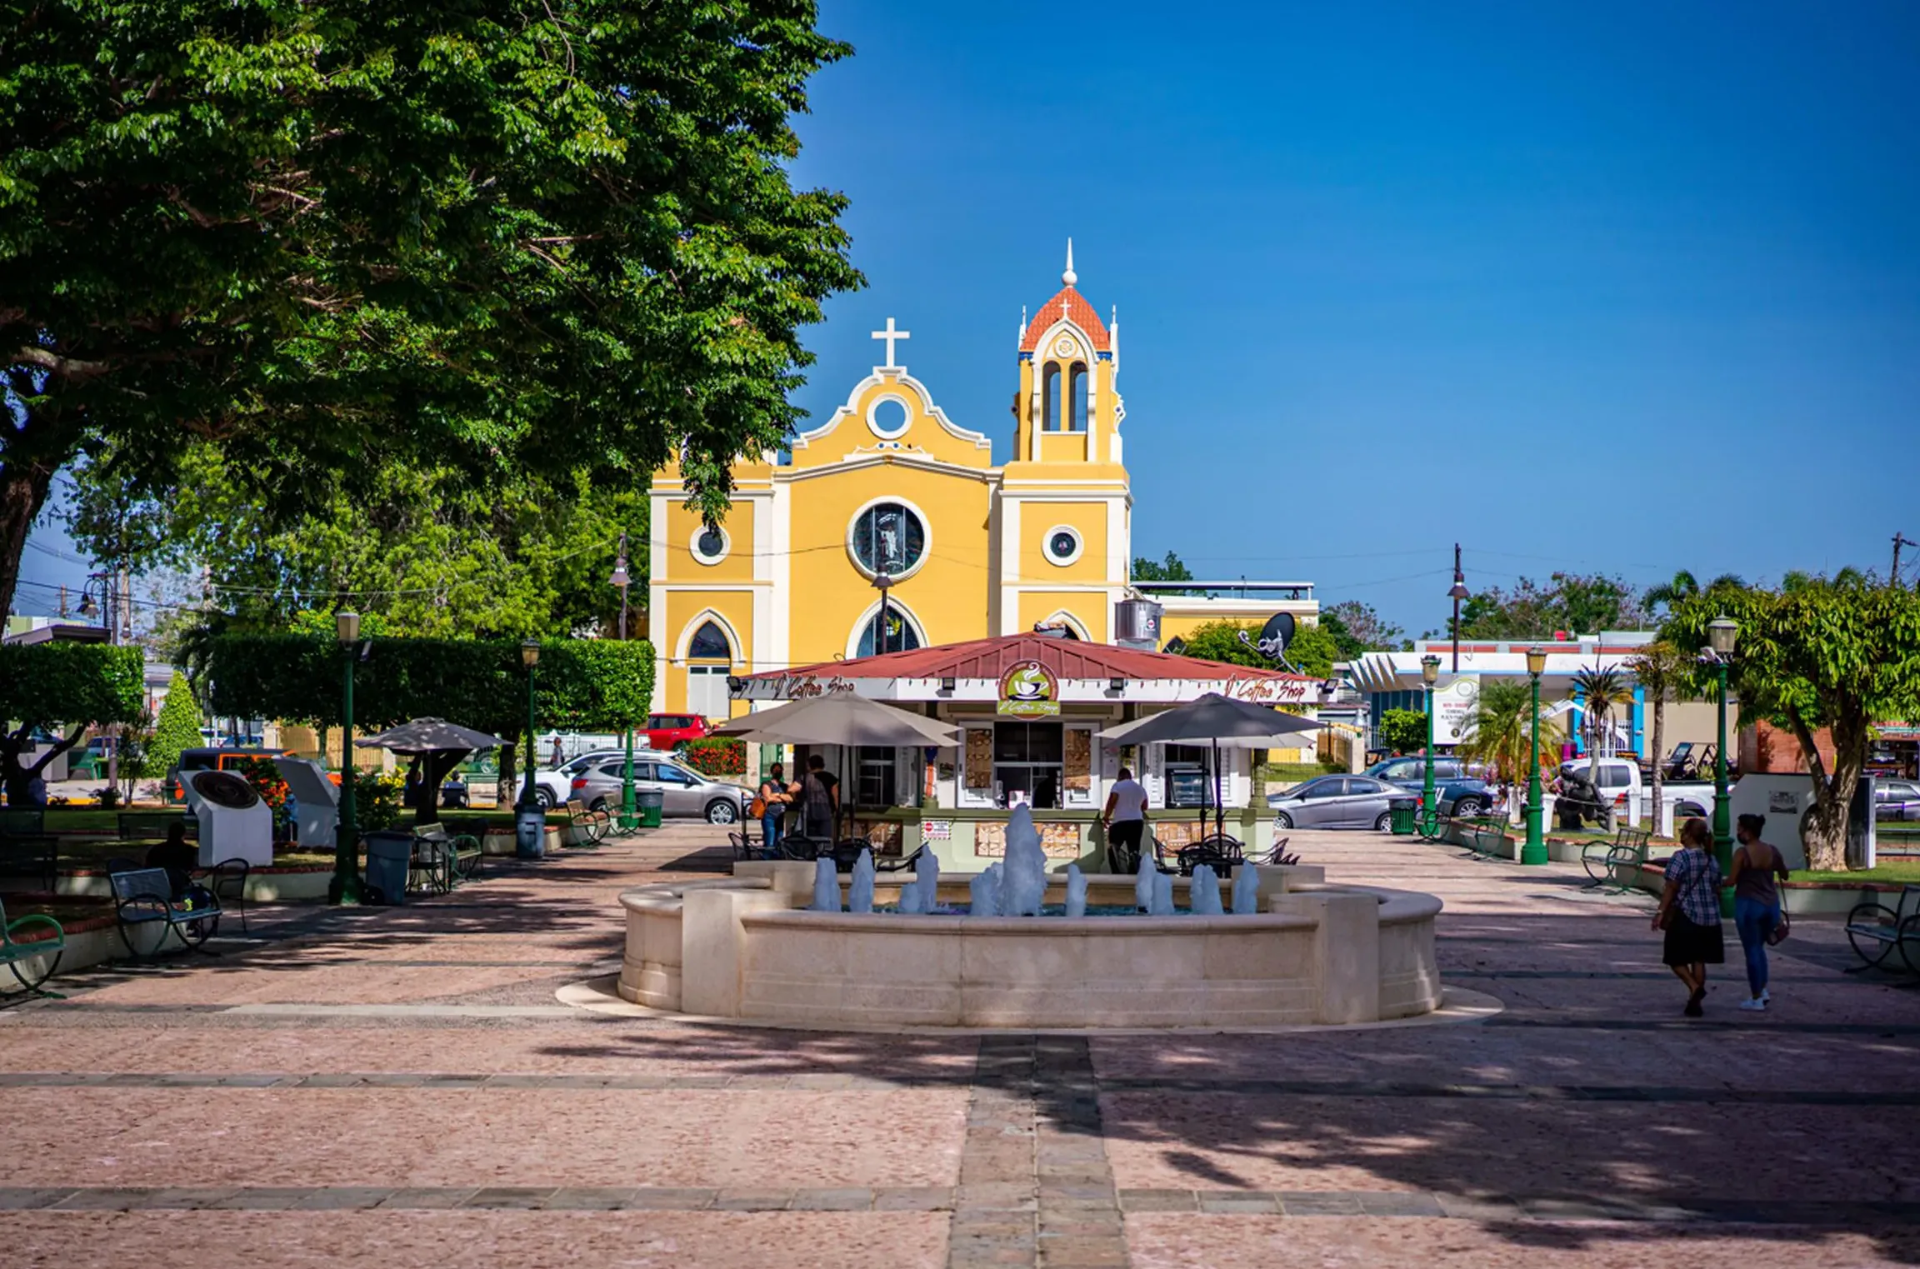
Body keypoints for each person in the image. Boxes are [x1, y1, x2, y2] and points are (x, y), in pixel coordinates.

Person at [1654, 817, 1725, 1017]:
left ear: (1687, 834)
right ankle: (1695, 1002)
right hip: (1709, 917)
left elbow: (1671, 887)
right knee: (1698, 959)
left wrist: (1660, 912)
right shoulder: (1711, 859)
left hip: (1686, 914)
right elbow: (1717, 887)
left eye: (1683, 831)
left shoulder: (1681, 857)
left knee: (1674, 957)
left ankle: (1694, 988)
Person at [1729, 812, 1790, 1010]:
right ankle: (1762, 989)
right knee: (1760, 948)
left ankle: (1756, 997)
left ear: (1747, 832)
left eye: (1739, 829)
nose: (1737, 832)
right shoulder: (1772, 850)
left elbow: (1732, 880)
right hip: (1771, 905)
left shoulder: (1742, 853)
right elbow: (1784, 874)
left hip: (1748, 906)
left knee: (1752, 950)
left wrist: (1717, 884)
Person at [1102, 767, 1150, 872]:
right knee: (1134, 850)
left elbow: (1111, 802)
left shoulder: (1117, 786)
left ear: (1120, 777)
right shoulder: (1140, 788)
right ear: (1130, 777)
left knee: (1114, 849)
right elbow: (1145, 806)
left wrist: (1106, 817)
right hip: (1137, 822)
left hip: (1120, 822)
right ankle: (1133, 873)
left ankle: (1117, 873)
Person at [146, 822, 199, 900]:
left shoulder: (156, 849)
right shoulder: (189, 850)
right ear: (183, 834)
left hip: (158, 887)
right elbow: (191, 868)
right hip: (179, 887)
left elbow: (148, 866)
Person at [799, 753, 839, 841]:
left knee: (811, 840)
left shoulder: (805, 778)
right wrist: (837, 809)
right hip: (826, 812)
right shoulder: (830, 778)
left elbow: (792, 789)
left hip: (810, 812)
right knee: (825, 839)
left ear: (809, 765)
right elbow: (835, 795)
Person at [757, 762, 792, 859]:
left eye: (780, 770)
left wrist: (777, 795)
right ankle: (766, 862)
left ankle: (775, 861)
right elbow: (767, 798)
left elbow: (790, 798)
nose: (778, 772)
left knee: (779, 841)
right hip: (769, 816)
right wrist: (782, 797)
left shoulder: (785, 786)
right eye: (776, 770)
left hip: (781, 817)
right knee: (770, 841)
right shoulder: (767, 784)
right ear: (771, 771)